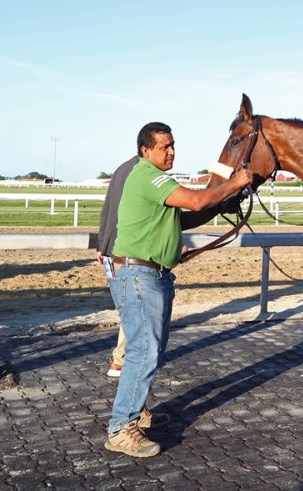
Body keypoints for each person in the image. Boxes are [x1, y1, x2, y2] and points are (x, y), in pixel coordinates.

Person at [104, 122, 253, 458]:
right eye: (164, 147)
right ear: (145, 151)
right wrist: (235, 183)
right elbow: (196, 201)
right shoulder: (147, 176)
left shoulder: (152, 180)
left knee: (146, 350)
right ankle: (120, 427)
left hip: (149, 275)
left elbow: (182, 219)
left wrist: (221, 205)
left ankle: (134, 411)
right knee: (144, 351)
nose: (171, 152)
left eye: (173, 146)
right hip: (140, 275)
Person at [96, 155, 139, 379]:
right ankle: (120, 361)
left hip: (108, 251)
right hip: (125, 251)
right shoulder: (141, 171)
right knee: (131, 305)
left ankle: (120, 359)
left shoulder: (121, 168)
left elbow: (107, 209)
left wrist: (100, 246)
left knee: (124, 304)